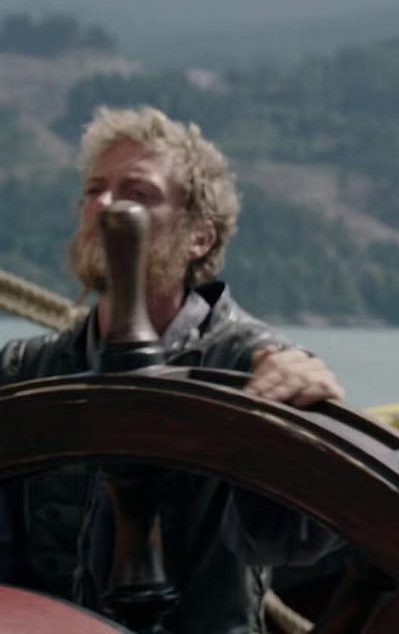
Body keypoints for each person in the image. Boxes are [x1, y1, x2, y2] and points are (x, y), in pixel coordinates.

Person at [0, 105, 345, 632]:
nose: (106, 207)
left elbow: (291, 538)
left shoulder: (255, 371)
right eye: (94, 190)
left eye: (137, 193)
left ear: (199, 237)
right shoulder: (24, 372)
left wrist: (314, 430)